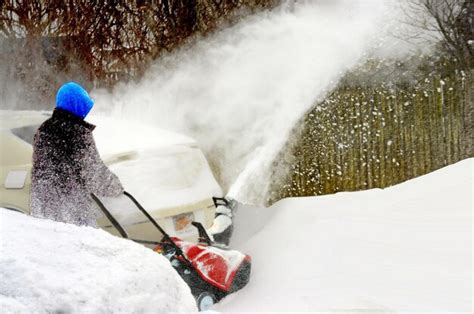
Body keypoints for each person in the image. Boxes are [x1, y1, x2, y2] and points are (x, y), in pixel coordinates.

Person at [31, 82, 124, 226]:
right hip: (73, 210)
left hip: (43, 207)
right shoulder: (78, 133)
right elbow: (93, 171)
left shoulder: (43, 129)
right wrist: (115, 187)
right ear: (76, 105)